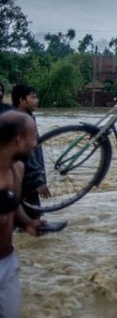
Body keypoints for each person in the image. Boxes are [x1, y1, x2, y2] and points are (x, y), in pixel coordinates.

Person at [0, 111, 48, 318]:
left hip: (6, 262)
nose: (36, 143)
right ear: (18, 140)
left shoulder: (17, 169)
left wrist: (28, 223)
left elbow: (14, 207)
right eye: (33, 137)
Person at [11, 85, 48, 219]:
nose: (37, 100)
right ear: (22, 100)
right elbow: (28, 153)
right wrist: (38, 181)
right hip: (24, 180)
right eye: (32, 97)